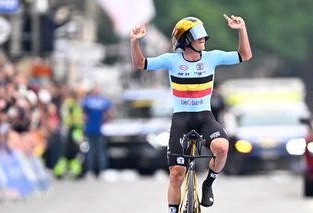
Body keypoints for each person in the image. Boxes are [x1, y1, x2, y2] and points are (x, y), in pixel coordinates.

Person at [130, 14, 252, 212]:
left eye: (203, 35)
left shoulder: (212, 57)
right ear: (186, 40)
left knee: (222, 147)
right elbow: (140, 63)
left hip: (204, 117)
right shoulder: (171, 60)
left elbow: (245, 55)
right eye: (198, 36)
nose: (203, 39)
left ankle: (208, 184)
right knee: (176, 174)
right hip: (181, 118)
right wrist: (135, 41)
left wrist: (242, 29)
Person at [81, 85, 114, 177]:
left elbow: (83, 115)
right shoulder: (103, 101)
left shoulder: (87, 101)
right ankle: (96, 170)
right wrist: (106, 120)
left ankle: (93, 170)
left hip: (93, 129)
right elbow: (111, 112)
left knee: (93, 151)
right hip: (95, 129)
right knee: (95, 151)